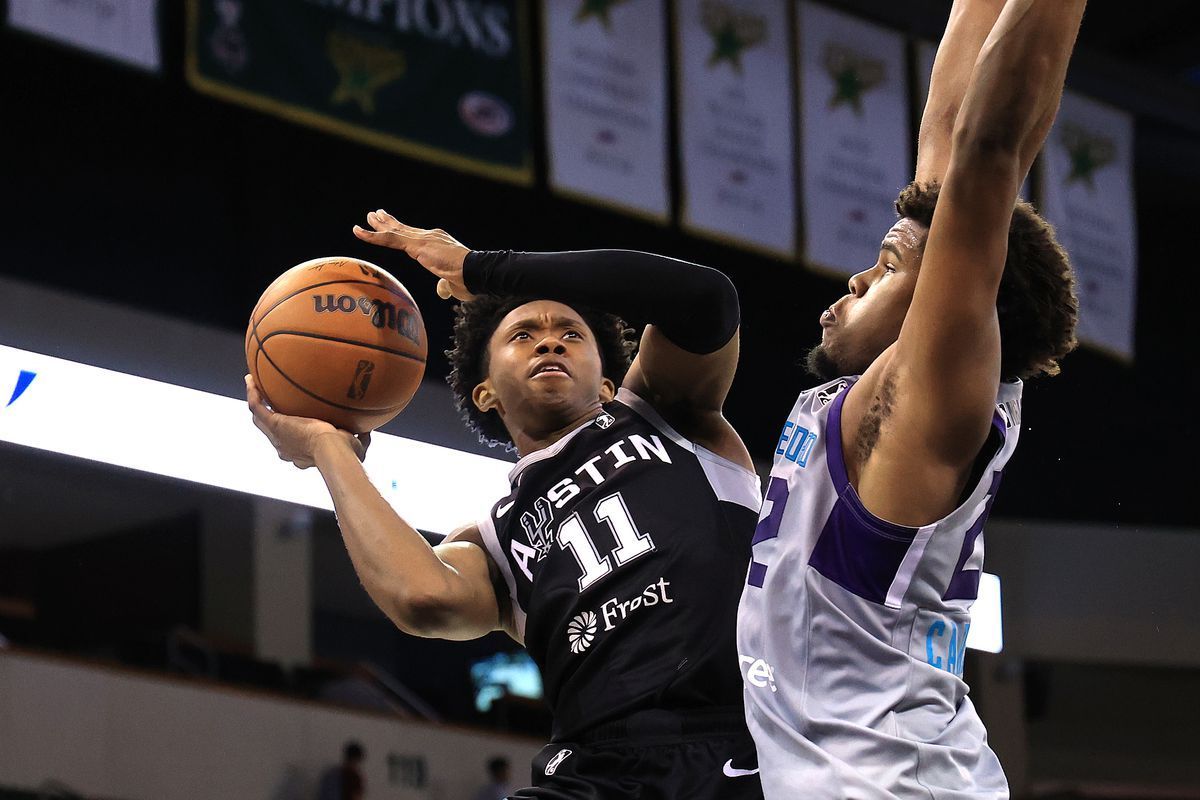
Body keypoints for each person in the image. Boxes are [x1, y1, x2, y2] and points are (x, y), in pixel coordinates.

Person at [248, 224, 764, 798]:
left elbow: (708, 299)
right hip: (594, 770)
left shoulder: (667, 414)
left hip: (741, 737)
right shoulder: (494, 535)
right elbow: (424, 598)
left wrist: (486, 269)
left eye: (571, 332)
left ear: (611, 383)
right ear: (485, 391)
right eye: (522, 335)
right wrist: (330, 451)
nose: (550, 341)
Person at [736, 0, 1086, 797]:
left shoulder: (925, 396)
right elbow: (951, 135)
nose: (857, 278)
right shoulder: (889, 393)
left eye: (886, 265)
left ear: (947, 298)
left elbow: (989, 151)